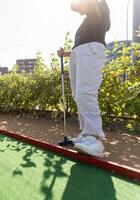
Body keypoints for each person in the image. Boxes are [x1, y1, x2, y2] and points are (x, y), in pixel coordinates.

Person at [57, 0, 110, 158]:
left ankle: (95, 139)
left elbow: (74, 5)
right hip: (79, 53)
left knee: (86, 93)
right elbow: (80, 45)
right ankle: (86, 133)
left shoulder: (100, 6)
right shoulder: (86, 22)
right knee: (78, 94)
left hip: (91, 50)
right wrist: (66, 54)